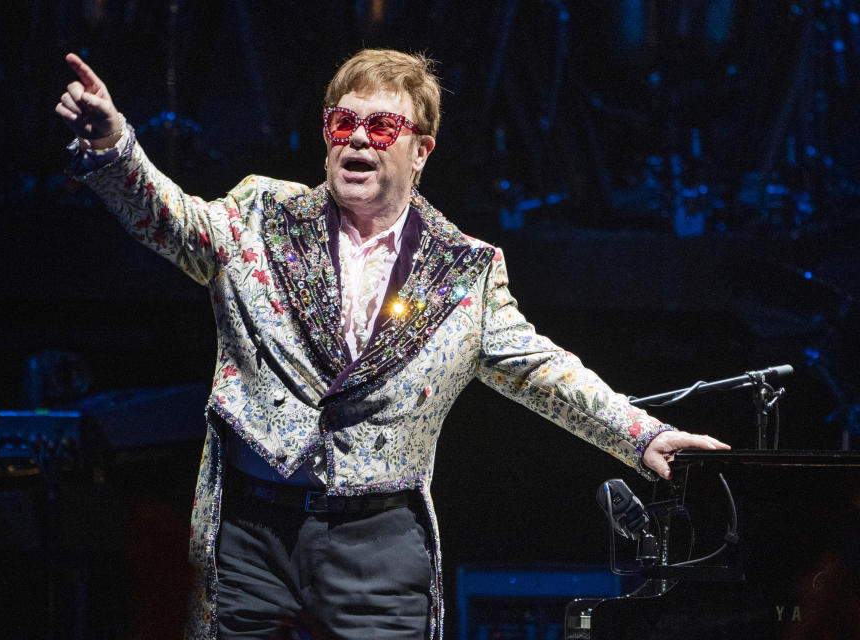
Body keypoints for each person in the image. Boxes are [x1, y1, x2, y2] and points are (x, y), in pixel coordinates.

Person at [56, 48, 729, 640]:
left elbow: (540, 368)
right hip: (255, 532)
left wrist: (641, 436)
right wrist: (115, 148)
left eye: (381, 127)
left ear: (421, 148)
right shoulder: (258, 216)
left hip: (378, 540)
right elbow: (169, 221)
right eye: (342, 123)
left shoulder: (464, 269)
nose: (358, 141)